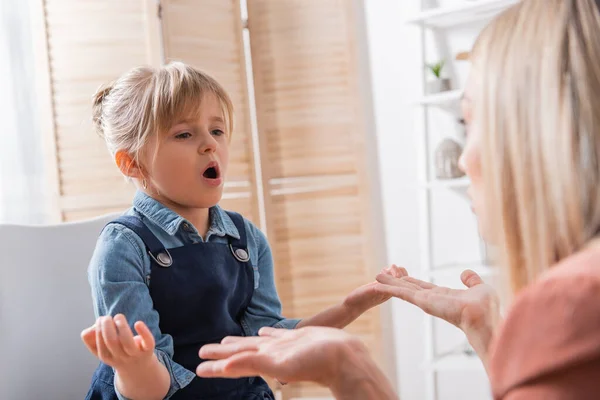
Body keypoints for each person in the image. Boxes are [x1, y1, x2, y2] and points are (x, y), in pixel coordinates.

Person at [195, 1, 600, 399]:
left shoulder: (575, 303)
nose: (462, 157)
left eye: (469, 121)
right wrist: (485, 330)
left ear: (538, 133)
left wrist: (352, 371)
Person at [78, 61, 406, 400]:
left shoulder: (245, 239)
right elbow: (149, 389)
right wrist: (135, 365)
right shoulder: (123, 248)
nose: (210, 145)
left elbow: (271, 343)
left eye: (217, 131)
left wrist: (350, 308)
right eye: (184, 134)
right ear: (132, 162)